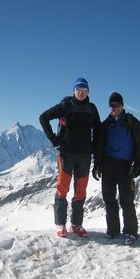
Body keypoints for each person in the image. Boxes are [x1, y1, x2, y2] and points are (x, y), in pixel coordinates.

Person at [39, 77, 101, 238]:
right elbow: (43, 117)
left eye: (84, 90)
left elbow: (99, 130)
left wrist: (94, 146)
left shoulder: (92, 108)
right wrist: (54, 139)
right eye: (78, 89)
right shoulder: (66, 106)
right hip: (66, 153)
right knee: (62, 188)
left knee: (80, 191)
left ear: (88, 92)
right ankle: (60, 224)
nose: (81, 92)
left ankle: (76, 224)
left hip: (84, 156)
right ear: (73, 91)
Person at [93, 92, 140, 245]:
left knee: (126, 200)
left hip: (125, 165)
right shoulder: (105, 124)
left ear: (122, 105)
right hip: (108, 165)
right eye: (111, 105)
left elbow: (139, 144)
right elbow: (99, 146)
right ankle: (113, 230)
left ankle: (130, 232)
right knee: (109, 199)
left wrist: (137, 164)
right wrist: (97, 164)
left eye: (117, 105)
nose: (114, 108)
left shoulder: (132, 122)